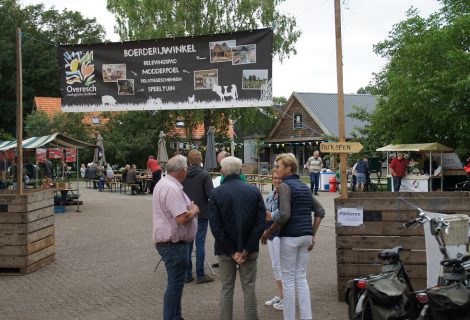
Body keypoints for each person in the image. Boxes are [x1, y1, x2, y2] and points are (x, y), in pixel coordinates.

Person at [261, 153, 325, 320]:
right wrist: (312, 234)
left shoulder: (284, 187)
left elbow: (284, 215)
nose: (275, 169)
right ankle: (306, 317)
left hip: (290, 237)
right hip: (305, 237)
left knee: (288, 280)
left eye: (278, 166)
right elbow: (320, 211)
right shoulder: (304, 186)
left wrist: (268, 232)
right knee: (301, 278)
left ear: (288, 169)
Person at [209, 156, 266, 320]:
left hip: (225, 249)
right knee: (249, 287)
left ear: (222, 171)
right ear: (241, 170)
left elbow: (216, 226)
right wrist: (246, 248)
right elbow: (260, 222)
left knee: (226, 288)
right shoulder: (253, 191)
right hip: (249, 248)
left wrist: (232, 251)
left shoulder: (217, 193)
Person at [152, 155, 199, 320]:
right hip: (174, 244)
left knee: (176, 284)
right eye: (185, 168)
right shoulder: (172, 188)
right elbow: (181, 218)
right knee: (175, 285)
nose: (186, 171)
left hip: (171, 242)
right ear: (181, 171)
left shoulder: (164, 183)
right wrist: (194, 210)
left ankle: (175, 317)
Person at [183, 150, 214, 284]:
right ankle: (200, 274)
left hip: (186, 212)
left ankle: (188, 274)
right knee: (200, 243)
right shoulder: (204, 174)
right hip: (202, 213)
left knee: (188, 244)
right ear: (200, 160)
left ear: (188, 161)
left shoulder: (182, 174)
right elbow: (211, 195)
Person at [264, 169, 284, 311]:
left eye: (279, 178)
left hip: (280, 234)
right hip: (270, 233)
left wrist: (271, 215)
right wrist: (270, 215)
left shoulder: (285, 195)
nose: (276, 180)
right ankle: (280, 295)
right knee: (275, 265)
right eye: (275, 178)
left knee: (281, 266)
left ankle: (285, 298)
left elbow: (282, 215)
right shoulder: (271, 194)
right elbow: (265, 214)